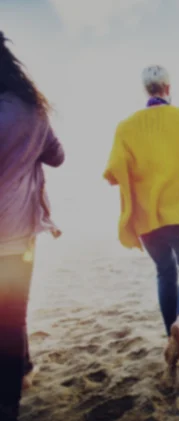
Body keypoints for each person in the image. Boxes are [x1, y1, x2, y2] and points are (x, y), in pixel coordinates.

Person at [103, 65, 179, 373]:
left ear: (145, 90)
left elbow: (113, 176)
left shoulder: (126, 126)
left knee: (165, 273)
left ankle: (170, 335)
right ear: (168, 88)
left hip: (148, 218)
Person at [0, 32, 65, 420]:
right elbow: (57, 156)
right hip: (16, 234)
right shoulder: (32, 110)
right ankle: (11, 398)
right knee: (11, 316)